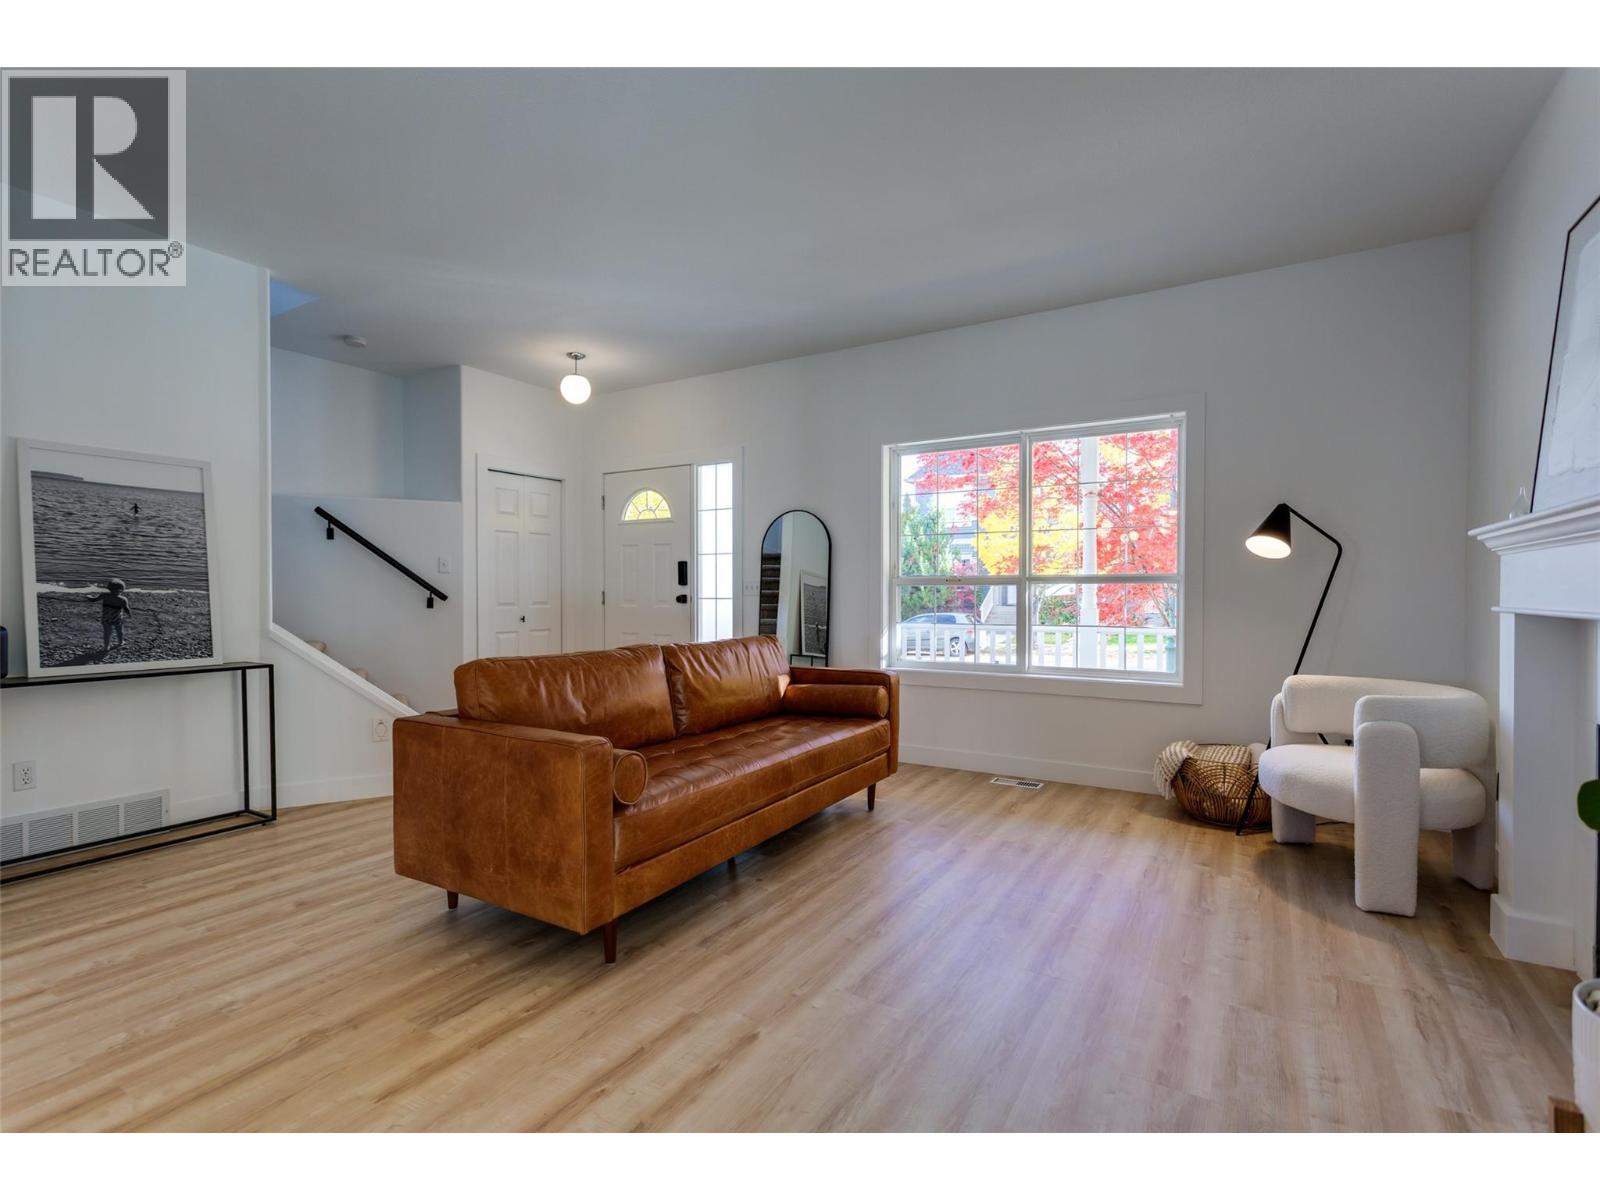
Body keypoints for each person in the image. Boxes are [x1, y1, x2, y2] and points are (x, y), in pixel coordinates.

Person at [100, 578, 132, 656]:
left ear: (109, 588)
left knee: (107, 633)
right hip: (117, 618)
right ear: (121, 589)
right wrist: (129, 614)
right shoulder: (123, 599)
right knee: (119, 631)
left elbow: (94, 600)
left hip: (106, 618)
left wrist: (89, 597)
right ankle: (120, 642)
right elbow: (126, 609)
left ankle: (106, 646)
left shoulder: (104, 595)